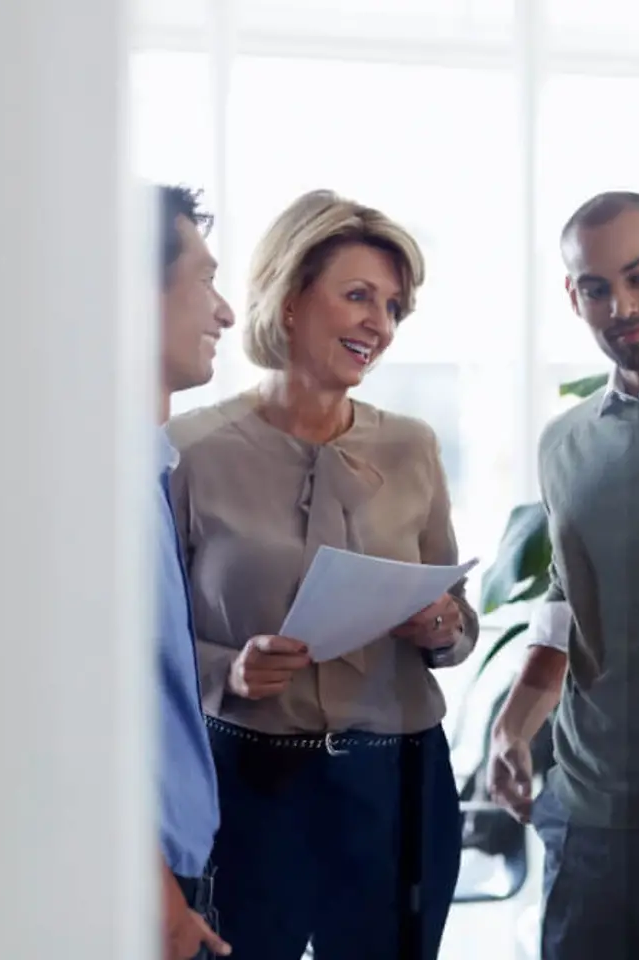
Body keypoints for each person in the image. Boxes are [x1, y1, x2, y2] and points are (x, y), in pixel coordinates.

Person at [166, 189, 476, 960]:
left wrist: (444, 625)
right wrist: (229, 669)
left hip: (399, 783)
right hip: (250, 784)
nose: (381, 322)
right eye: (359, 296)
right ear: (291, 297)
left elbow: (459, 616)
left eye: (395, 307)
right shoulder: (189, 450)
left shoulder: (413, 445)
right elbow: (151, 637)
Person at [485, 192, 639, 960]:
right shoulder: (563, 444)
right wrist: (514, 722)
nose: (621, 306)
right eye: (595, 287)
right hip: (587, 813)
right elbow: (569, 596)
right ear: (573, 296)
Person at [154, 184, 235, 960]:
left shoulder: (150, 468)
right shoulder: (92, 494)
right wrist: (156, 896)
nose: (224, 312)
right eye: (205, 280)